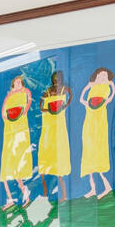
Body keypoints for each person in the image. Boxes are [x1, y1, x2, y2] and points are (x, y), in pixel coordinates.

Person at [0, 74, 36, 207]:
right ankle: (10, 199)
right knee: (6, 166)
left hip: (20, 130)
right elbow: (3, 111)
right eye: (16, 82)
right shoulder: (9, 95)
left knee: (17, 166)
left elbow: (28, 102)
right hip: (9, 131)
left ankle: (26, 196)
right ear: (13, 84)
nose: (18, 83)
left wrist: (23, 111)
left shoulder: (26, 91)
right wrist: (5, 117)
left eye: (20, 82)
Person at [78, 67, 115, 199]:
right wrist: (85, 100)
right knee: (88, 155)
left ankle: (107, 187)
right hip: (88, 123)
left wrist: (110, 86)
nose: (102, 77)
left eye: (105, 75)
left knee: (98, 155)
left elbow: (110, 96)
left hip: (99, 125)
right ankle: (93, 189)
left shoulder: (107, 87)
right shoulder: (93, 87)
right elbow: (81, 98)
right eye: (100, 75)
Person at [37, 69, 73, 201]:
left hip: (59, 128)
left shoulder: (65, 89)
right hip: (47, 128)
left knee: (59, 160)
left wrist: (64, 106)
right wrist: (49, 109)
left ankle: (63, 194)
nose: (56, 80)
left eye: (58, 78)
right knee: (45, 156)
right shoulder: (47, 92)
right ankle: (45, 192)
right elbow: (41, 107)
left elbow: (70, 96)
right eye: (54, 78)